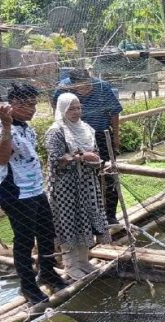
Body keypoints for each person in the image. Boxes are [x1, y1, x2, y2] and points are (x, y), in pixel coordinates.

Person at [0, 83, 67, 305]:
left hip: (34, 190)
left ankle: (48, 273)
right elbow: (0, 158)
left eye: (34, 104)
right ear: (12, 104)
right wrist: (5, 126)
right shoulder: (2, 128)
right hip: (15, 193)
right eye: (26, 105)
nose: (32, 109)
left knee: (46, 232)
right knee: (24, 240)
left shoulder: (25, 127)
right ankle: (28, 287)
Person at [45, 93, 108, 281]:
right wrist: (81, 157)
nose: (76, 112)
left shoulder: (86, 128)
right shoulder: (56, 131)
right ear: (62, 110)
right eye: (71, 108)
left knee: (85, 220)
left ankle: (83, 261)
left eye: (78, 107)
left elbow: (95, 152)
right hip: (65, 187)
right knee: (68, 222)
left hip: (86, 183)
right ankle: (70, 265)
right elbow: (56, 161)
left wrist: (94, 159)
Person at [52, 68, 123, 225]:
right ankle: (87, 219)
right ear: (72, 85)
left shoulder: (102, 87)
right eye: (82, 87)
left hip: (100, 135)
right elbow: (56, 111)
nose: (87, 89)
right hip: (74, 138)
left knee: (109, 174)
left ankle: (110, 215)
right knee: (82, 177)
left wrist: (116, 137)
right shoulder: (62, 90)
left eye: (88, 85)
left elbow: (114, 112)